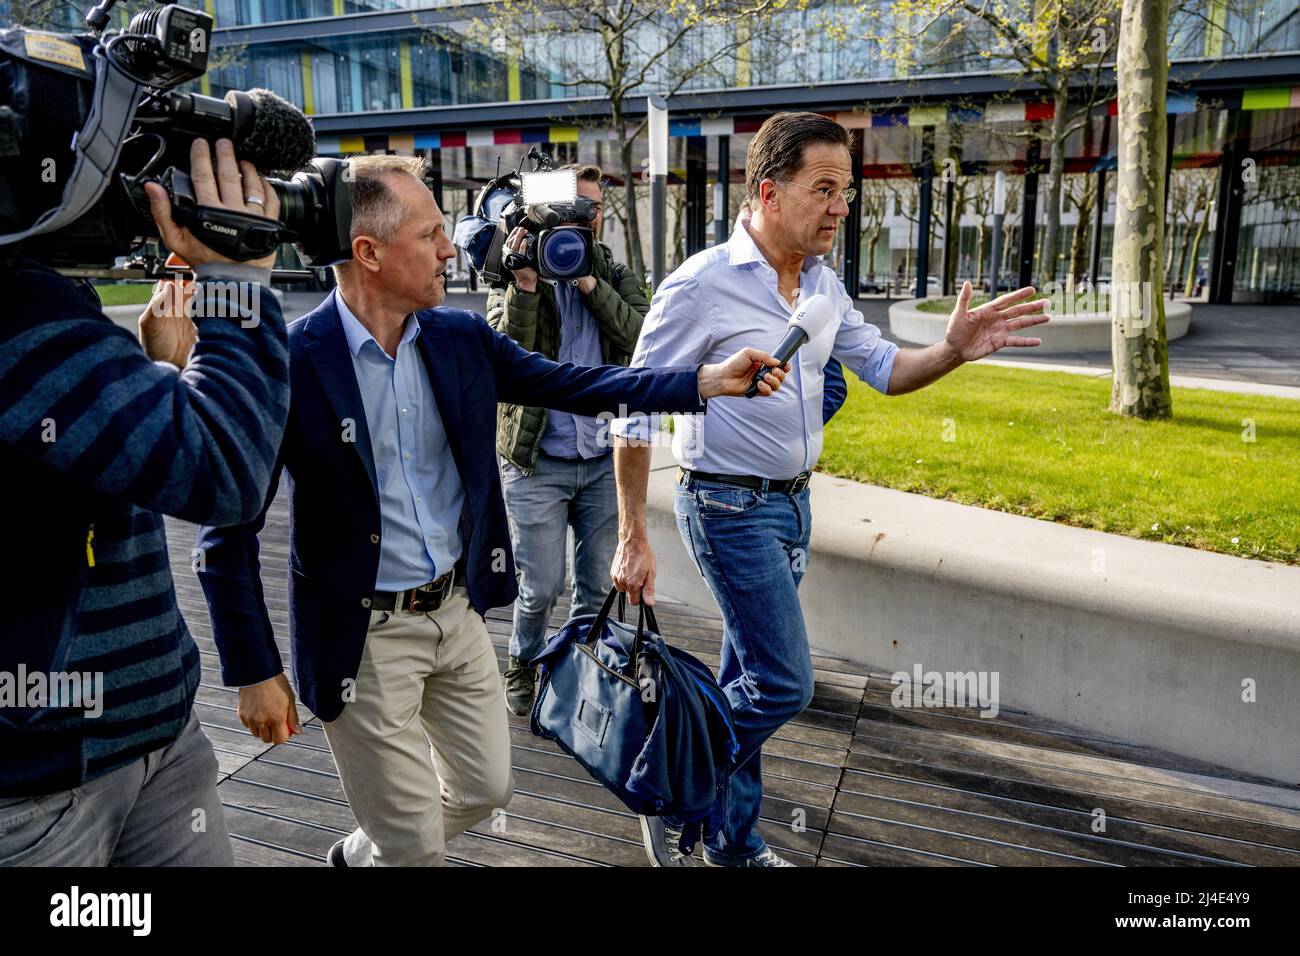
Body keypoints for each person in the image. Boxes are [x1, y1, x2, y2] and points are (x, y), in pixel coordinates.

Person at [193, 154, 789, 867]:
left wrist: (703, 381)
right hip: (361, 636)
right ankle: (393, 845)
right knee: (415, 848)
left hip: (459, 614)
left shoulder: (460, 338)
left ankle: (365, 852)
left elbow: (578, 383)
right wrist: (254, 670)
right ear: (368, 253)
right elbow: (227, 532)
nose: (453, 249)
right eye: (432, 235)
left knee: (487, 789)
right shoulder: (292, 362)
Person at [611, 111, 1049, 867]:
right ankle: (666, 780)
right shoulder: (699, 286)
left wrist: (950, 350)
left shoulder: (822, 285)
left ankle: (731, 843)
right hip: (726, 506)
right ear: (769, 192)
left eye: (845, 191)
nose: (842, 208)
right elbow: (632, 409)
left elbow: (884, 369)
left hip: (792, 505)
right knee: (782, 685)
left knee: (744, 677)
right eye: (826, 189)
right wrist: (632, 533)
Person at [0, 138, 289, 865]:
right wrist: (233, 280)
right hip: (38, 785)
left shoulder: (51, 298)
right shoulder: (17, 306)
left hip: (156, 734)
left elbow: (86, 469)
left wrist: (159, 372)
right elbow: (226, 472)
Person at [486, 164, 646, 716]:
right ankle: (524, 663)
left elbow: (641, 337)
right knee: (541, 586)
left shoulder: (610, 270)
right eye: (572, 208)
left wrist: (588, 284)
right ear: (540, 210)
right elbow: (507, 359)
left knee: (598, 588)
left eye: (592, 210)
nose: (583, 219)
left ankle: (582, 672)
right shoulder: (509, 272)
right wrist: (527, 285)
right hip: (536, 461)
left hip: (604, 459)